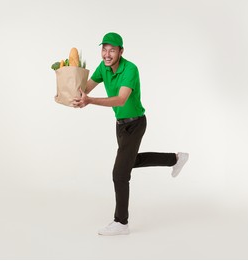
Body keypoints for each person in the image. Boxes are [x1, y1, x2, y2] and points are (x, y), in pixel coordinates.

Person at [72, 32, 189, 236]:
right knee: (130, 161)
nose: (107, 54)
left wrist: (90, 100)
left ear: (121, 51)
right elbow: (86, 88)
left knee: (119, 174)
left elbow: (121, 99)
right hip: (120, 125)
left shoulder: (130, 69)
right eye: (104, 49)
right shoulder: (103, 68)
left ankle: (121, 222)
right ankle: (175, 159)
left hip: (135, 124)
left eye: (112, 50)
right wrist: (70, 92)